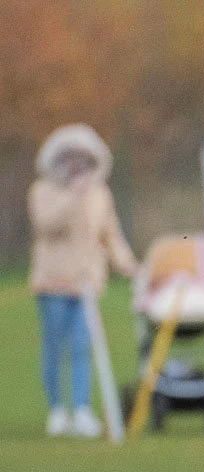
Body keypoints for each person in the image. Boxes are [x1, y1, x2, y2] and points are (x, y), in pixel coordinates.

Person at [27, 124, 138, 438]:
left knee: (81, 347)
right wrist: (71, 197)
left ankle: (81, 409)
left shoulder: (100, 194)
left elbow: (110, 235)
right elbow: (45, 225)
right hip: (52, 282)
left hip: (87, 283)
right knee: (54, 346)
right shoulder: (43, 190)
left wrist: (130, 266)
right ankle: (57, 410)